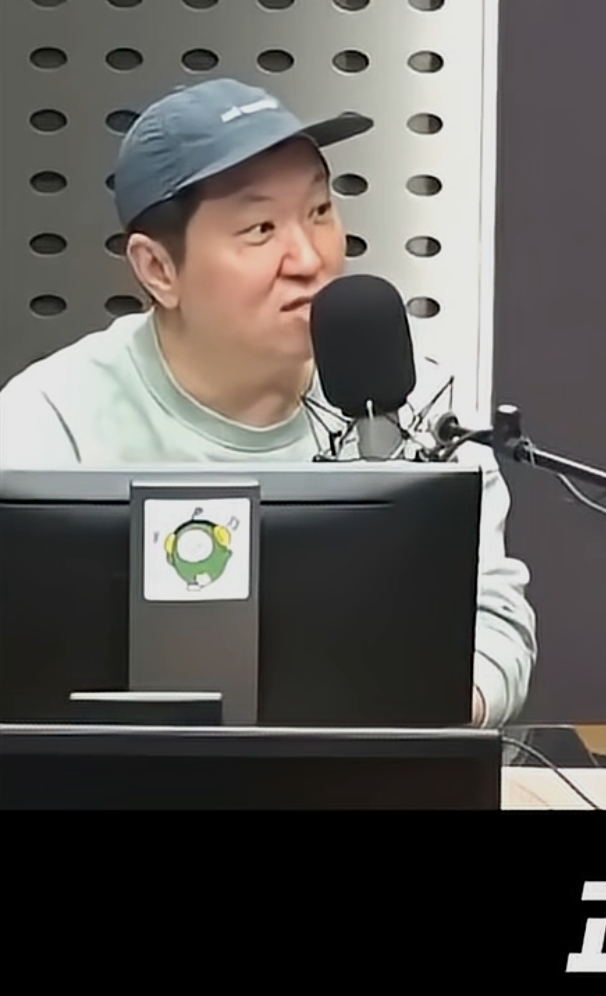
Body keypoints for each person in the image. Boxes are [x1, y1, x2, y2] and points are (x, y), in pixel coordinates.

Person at [0, 77, 536, 728]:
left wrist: (427, 711)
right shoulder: (48, 425)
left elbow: (493, 618)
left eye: (319, 211)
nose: (309, 258)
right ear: (158, 270)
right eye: (260, 228)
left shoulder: (417, 402)